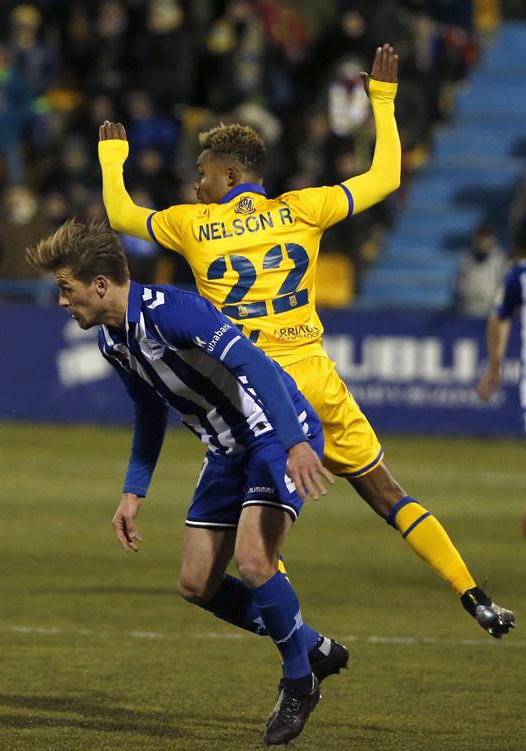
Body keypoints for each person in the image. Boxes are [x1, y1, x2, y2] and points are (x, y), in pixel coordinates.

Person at [97, 44, 516, 638]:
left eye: (205, 172)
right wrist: (384, 101)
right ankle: (472, 595)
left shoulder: (191, 226)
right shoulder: (304, 208)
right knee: (386, 492)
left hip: (255, 390)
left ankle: (302, 643)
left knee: (257, 526)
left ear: (232, 176)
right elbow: (388, 176)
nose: (196, 181)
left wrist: (112, 158)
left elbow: (118, 212)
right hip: (316, 376)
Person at [27, 218, 342, 746]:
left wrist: (295, 443)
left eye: (67, 289)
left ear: (99, 285)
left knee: (255, 561)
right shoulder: (112, 339)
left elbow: (257, 366)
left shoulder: (173, 312)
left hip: (271, 433)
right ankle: (310, 645)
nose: (62, 301)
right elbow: (148, 411)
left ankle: (298, 680)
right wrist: (134, 490)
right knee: (197, 585)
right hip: (224, 450)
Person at [476, 243, 526, 432]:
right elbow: (499, 317)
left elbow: (499, 317)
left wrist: (495, 367)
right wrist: (495, 367)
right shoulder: (519, 274)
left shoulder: (520, 274)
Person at [455, 223, 506, 316]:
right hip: (468, 311)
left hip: (490, 313)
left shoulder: (499, 261)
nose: (483, 244)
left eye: (487, 240)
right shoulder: (465, 261)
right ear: (475, 240)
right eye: (481, 240)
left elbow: (503, 290)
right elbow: (459, 288)